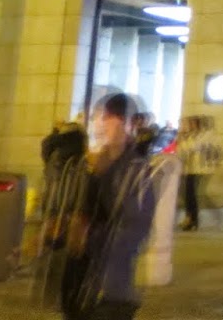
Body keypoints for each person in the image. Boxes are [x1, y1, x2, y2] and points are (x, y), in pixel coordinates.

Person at [57, 92, 159, 320]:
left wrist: (90, 237)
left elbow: (136, 228)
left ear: (127, 124)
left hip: (111, 287)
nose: (99, 125)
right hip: (77, 280)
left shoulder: (137, 171)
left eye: (106, 118)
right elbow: (74, 211)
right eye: (96, 118)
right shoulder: (86, 166)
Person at [176, 116, 220, 232]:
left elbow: (192, 148)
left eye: (192, 124)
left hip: (198, 168)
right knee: (187, 194)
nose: (189, 126)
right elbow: (180, 150)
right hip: (189, 168)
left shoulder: (205, 135)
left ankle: (194, 220)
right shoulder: (190, 135)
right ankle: (188, 218)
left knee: (191, 194)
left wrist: (184, 141)